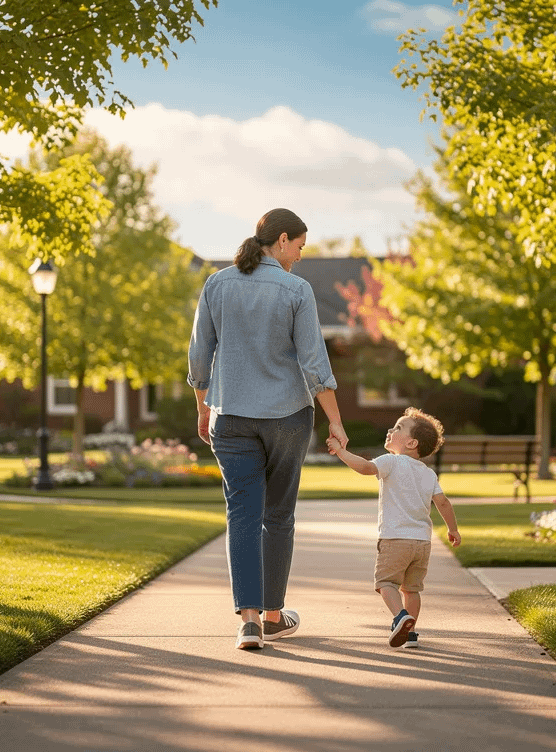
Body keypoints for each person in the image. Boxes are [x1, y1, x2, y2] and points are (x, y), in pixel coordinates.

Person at [187, 207, 349, 651]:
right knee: (277, 516)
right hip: (287, 418)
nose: (299, 255)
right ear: (280, 240)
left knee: (242, 515)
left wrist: (203, 409)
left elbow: (200, 357)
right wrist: (335, 420)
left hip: (230, 416)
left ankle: (250, 622)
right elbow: (315, 362)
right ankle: (275, 615)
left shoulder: (216, 284)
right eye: (298, 246)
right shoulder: (295, 289)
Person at [326, 407, 460, 649]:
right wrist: (453, 530)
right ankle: (410, 634)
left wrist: (341, 452)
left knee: (385, 584)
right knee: (412, 590)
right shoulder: (428, 474)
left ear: (411, 442)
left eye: (398, 427)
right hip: (422, 543)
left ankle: (400, 617)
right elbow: (443, 503)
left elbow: (366, 467)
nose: (390, 429)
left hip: (395, 539)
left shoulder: (391, 462)